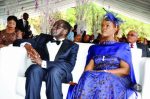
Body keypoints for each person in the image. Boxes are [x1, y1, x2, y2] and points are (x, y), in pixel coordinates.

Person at [67, 12, 137, 99]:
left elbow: (125, 70)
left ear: (115, 28)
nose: (104, 28)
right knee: (88, 76)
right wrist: (82, 81)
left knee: (104, 78)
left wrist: (105, 72)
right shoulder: (94, 48)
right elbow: (87, 71)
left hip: (116, 79)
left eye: (107, 25)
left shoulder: (122, 47)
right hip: (96, 78)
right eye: (102, 25)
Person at [13, 19, 79, 99]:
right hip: (41, 71)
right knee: (34, 69)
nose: (53, 27)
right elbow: (17, 42)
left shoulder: (73, 46)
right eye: (53, 25)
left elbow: (69, 66)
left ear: (65, 31)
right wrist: (27, 46)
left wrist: (43, 63)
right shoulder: (43, 38)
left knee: (54, 71)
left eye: (57, 26)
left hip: (60, 74)